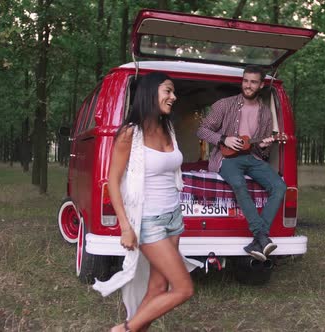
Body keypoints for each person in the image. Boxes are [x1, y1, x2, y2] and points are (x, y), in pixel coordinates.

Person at [94, 72, 195, 332]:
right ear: (151, 92)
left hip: (173, 217)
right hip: (149, 221)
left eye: (173, 92)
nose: (174, 97)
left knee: (159, 287)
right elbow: (112, 181)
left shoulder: (167, 128)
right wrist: (126, 227)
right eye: (168, 91)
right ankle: (123, 330)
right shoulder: (130, 134)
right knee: (183, 288)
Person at [197, 65, 287, 262]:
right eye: (245, 80)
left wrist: (265, 145)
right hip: (226, 158)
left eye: (253, 82)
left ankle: (257, 240)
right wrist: (223, 139)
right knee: (239, 183)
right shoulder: (224, 105)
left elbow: (262, 153)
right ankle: (261, 236)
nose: (248, 85)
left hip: (251, 158)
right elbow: (202, 130)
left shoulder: (265, 113)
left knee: (280, 186)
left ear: (261, 85)